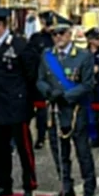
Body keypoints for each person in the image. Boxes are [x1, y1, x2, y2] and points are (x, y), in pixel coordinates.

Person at [0, 7, 39, 196]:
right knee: (0, 147)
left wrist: (27, 101)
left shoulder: (20, 45)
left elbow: (31, 75)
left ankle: (29, 185)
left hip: (16, 104)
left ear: (0, 25)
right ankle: (4, 184)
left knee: (23, 147)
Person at [37, 20, 97, 196]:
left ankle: (89, 188)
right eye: (54, 34)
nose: (58, 38)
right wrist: (48, 92)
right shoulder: (47, 55)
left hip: (75, 109)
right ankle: (66, 186)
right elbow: (40, 80)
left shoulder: (83, 56)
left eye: (61, 33)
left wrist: (67, 95)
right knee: (59, 151)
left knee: (82, 151)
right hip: (55, 108)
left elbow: (88, 84)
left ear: (69, 34)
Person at [28, 11, 57, 150]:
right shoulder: (36, 38)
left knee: (46, 110)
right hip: (35, 77)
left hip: (51, 78)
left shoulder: (56, 38)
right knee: (38, 109)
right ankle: (39, 136)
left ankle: (44, 135)